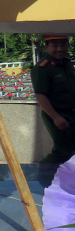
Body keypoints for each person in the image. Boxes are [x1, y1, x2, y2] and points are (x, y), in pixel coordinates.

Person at [31, 35, 75, 164]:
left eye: (63, 45)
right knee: (63, 152)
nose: (60, 49)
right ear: (46, 47)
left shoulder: (67, 63)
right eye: (55, 46)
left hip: (71, 112)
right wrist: (55, 117)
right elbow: (40, 95)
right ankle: (41, 175)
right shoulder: (42, 68)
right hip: (57, 114)